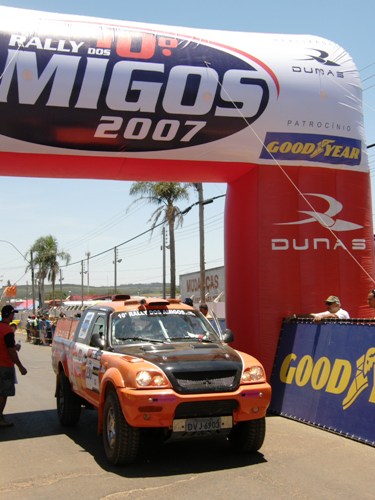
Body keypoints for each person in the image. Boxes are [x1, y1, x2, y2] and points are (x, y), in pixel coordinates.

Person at [0, 305, 27, 427]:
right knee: (3, 394)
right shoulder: (7, 330)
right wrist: (21, 367)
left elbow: (7, 346)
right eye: (12, 314)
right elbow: (10, 350)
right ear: (9, 315)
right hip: (5, 366)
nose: (13, 316)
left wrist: (14, 347)